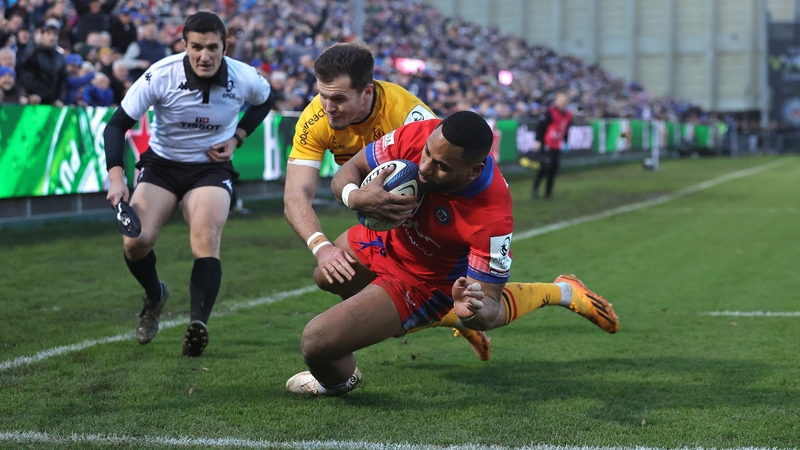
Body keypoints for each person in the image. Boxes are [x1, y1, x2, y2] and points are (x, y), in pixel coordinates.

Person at [283, 43, 616, 363]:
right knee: (327, 276)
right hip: (391, 234)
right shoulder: (419, 134)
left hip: (432, 266)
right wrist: (353, 200)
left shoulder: (487, 211)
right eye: (323, 96)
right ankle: (418, 315)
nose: (327, 106)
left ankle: (558, 292)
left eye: (338, 98)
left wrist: (470, 309)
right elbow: (324, 182)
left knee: (470, 309)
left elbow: (489, 302)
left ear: (367, 92)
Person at [103, 11, 275, 357]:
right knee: (136, 242)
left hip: (210, 169)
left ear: (225, 46)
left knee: (206, 235)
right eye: (196, 47)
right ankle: (155, 296)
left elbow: (266, 100)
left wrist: (238, 137)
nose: (204, 55)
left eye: (213, 47)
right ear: (184, 45)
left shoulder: (244, 77)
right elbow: (116, 125)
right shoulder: (160, 75)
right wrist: (117, 177)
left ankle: (198, 325)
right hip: (162, 166)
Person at [17, 18, 67, 106]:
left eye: (55, 34)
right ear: (42, 35)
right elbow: (25, 68)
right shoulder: (33, 51)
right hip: (33, 100)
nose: (52, 38)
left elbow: (63, 80)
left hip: (52, 102)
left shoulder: (60, 56)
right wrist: (28, 95)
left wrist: (60, 99)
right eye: (49, 34)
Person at [532, 91, 572, 199]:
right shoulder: (549, 113)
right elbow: (540, 127)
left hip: (557, 146)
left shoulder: (568, 115)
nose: (562, 102)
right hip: (547, 145)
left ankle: (548, 193)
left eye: (564, 100)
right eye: (560, 100)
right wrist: (538, 140)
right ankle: (535, 189)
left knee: (554, 170)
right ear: (556, 101)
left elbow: (566, 129)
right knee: (544, 168)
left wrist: (566, 142)